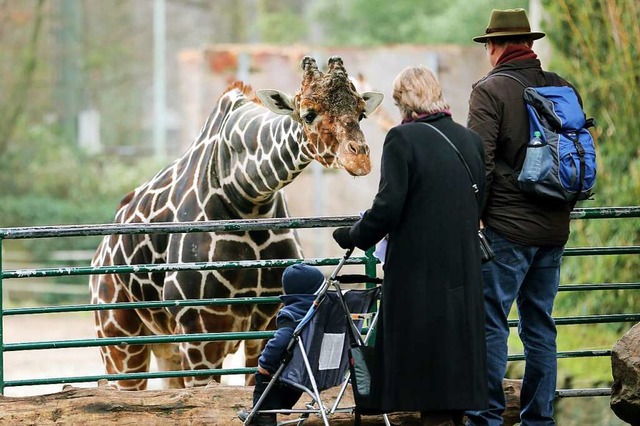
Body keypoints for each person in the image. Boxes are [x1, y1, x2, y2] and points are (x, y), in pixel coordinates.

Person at [332, 66, 488, 426]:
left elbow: (387, 207)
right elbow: (478, 202)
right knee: (453, 376)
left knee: (424, 373)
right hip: (463, 277)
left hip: (419, 279)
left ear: (403, 100)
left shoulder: (402, 140)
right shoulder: (470, 141)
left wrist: (353, 235)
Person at [464, 8, 584, 426]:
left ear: (494, 47)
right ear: (529, 45)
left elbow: (479, 164)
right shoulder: (562, 87)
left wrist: (474, 219)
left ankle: (487, 419)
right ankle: (539, 419)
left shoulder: (489, 91)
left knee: (491, 322)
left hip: (506, 230)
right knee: (540, 326)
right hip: (554, 227)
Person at [238, 263, 325, 426]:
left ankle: (263, 415)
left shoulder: (292, 314)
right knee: (291, 368)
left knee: (268, 371)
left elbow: (280, 342)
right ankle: (280, 404)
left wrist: (264, 362)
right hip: (327, 370)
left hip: (299, 374)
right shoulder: (327, 312)